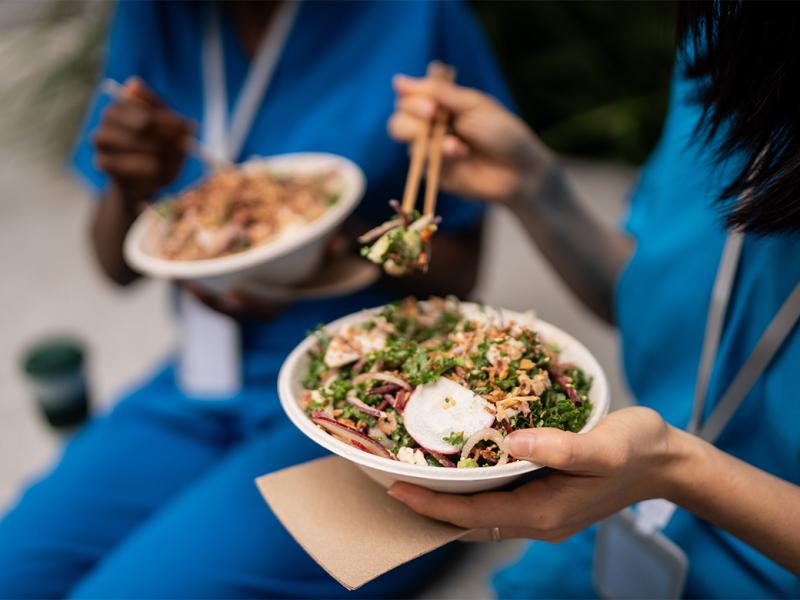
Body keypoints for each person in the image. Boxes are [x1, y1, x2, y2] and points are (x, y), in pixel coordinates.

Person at [0, 1, 512, 597]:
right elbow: (118, 267)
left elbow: (462, 269)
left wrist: (346, 246)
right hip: (201, 376)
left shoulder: (417, 17)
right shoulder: (156, 15)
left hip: (366, 404)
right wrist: (128, 183)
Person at [385, 1, 800, 597]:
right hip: (618, 527)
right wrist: (532, 186)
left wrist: (678, 470)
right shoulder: (734, 37)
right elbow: (662, 306)